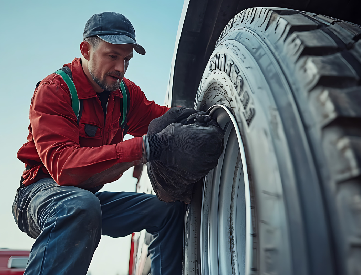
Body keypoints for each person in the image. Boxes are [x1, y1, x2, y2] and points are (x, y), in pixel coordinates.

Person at [12, 12, 221, 275]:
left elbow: (158, 121)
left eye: (126, 60)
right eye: (112, 56)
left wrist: (191, 120)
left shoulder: (123, 94)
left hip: (87, 197)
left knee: (166, 211)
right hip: (39, 195)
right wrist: (144, 149)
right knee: (79, 206)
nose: (120, 68)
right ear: (85, 50)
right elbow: (64, 169)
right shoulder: (55, 90)